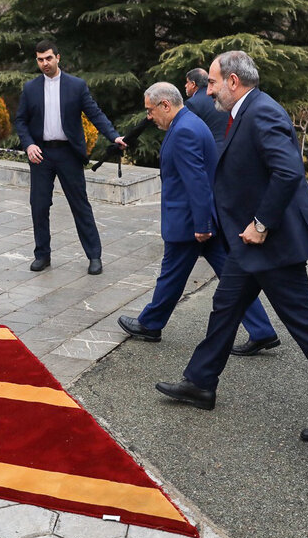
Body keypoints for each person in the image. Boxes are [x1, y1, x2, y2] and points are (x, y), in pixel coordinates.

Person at [155, 51, 308, 443]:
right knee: (225, 307)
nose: (209, 90)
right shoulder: (242, 110)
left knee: (305, 325)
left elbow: (287, 172)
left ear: (233, 81)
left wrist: (261, 224)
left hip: (272, 241)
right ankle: (200, 383)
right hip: (248, 242)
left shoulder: (262, 111)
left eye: (213, 82)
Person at [117, 82, 281, 356]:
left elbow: (198, 182)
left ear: (165, 105)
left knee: (171, 275)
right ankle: (262, 330)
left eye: (150, 110)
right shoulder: (188, 123)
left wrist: (202, 224)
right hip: (198, 219)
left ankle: (150, 323)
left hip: (190, 222)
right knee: (232, 277)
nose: (149, 117)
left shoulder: (183, 131)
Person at [14, 40, 126, 275]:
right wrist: (29, 145)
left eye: (48, 58)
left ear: (58, 57)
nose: (44, 63)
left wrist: (114, 137)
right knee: (39, 206)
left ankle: (94, 256)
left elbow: (95, 113)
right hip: (41, 154)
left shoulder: (76, 86)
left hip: (69, 154)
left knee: (80, 204)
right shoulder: (30, 88)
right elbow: (21, 121)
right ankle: (42, 255)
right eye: (40, 59)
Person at [183, 67, 228, 148]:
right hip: (227, 147)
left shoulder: (192, 103)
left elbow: (189, 133)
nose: (185, 85)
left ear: (193, 84)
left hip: (207, 150)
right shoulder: (221, 98)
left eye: (187, 82)